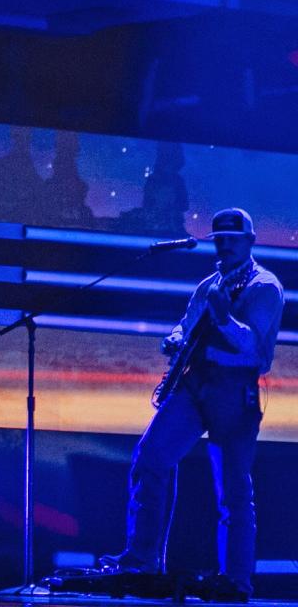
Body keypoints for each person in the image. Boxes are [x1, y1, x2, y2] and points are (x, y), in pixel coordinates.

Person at [101, 208, 284, 601]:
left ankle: (236, 581)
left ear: (250, 242)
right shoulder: (210, 284)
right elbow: (187, 324)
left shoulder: (264, 287)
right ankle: (142, 561)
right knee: (151, 458)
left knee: (233, 489)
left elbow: (252, 347)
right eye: (220, 238)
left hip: (235, 391)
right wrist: (175, 338)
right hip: (196, 383)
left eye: (233, 238)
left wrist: (223, 320)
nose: (225, 244)